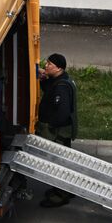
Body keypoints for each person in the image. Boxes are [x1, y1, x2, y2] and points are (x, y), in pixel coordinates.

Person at [36, 53, 79, 207]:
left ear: (59, 67)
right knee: (64, 161)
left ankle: (60, 196)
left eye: (49, 64)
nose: (46, 66)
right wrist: (42, 76)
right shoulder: (60, 80)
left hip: (58, 132)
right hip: (62, 131)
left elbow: (62, 113)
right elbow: (49, 90)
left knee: (57, 163)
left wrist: (50, 128)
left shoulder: (61, 88)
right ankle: (67, 190)